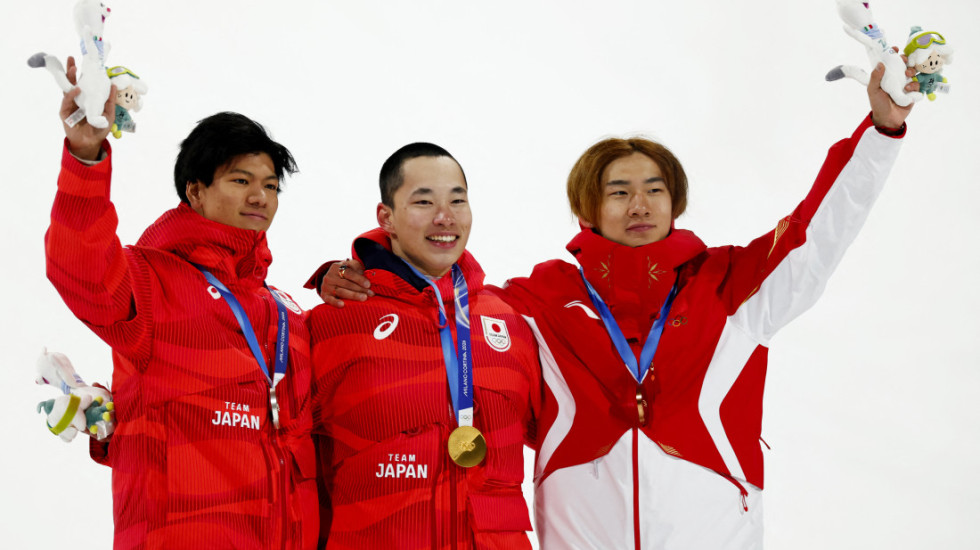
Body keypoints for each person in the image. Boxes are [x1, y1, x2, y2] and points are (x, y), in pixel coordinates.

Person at [318, 61, 916, 549]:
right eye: (620, 191)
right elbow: (437, 311)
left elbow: (821, 231)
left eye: (655, 189)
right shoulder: (540, 301)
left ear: (675, 203)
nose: (640, 205)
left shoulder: (733, 288)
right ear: (588, 210)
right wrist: (356, 273)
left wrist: (880, 133)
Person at [45, 57, 317, 549]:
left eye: (271, 185)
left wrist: (356, 275)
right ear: (194, 190)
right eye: (240, 180)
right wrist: (87, 157)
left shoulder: (285, 312)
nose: (260, 195)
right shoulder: (151, 283)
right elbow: (79, 268)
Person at [306, 143, 541, 548]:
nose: (444, 216)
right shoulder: (332, 324)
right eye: (423, 201)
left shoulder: (509, 322)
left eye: (457, 200)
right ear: (387, 217)